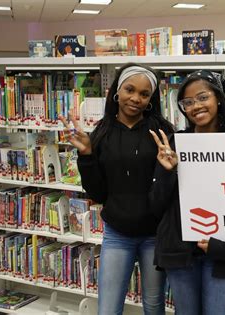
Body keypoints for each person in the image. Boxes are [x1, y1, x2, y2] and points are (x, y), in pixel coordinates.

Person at [59, 63, 174, 315]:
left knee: (154, 306)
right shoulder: (102, 132)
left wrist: (169, 168)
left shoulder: (163, 132)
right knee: (108, 308)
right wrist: (87, 154)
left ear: (151, 99)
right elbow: (97, 194)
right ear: (116, 91)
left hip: (154, 236)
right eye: (129, 90)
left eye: (144, 94)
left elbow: (170, 188)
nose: (136, 99)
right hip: (117, 235)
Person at [149, 70, 225, 315]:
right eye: (188, 102)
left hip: (222, 253)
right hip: (180, 252)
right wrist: (168, 171)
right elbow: (156, 205)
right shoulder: (173, 144)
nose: (196, 106)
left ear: (218, 98)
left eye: (203, 97)